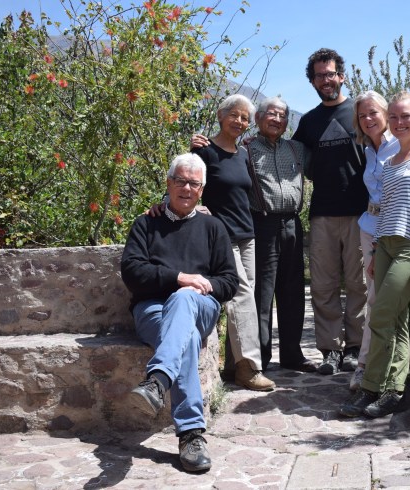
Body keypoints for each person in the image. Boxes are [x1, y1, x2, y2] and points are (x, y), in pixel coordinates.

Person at [121, 153, 238, 472]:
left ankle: (157, 380)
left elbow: (229, 282)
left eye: (193, 183)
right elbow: (132, 272)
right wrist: (178, 278)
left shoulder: (213, 227)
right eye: (180, 181)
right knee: (185, 338)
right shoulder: (146, 224)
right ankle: (190, 435)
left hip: (200, 305)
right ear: (168, 183)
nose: (186, 188)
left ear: (202, 190)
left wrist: (197, 286)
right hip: (152, 310)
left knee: (184, 299)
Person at [339, 91, 410, 418]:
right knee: (396, 319)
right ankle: (391, 390)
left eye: (406, 116)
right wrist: (375, 251)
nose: (400, 122)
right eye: (395, 117)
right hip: (385, 245)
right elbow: (386, 209)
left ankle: (373, 387)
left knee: (382, 314)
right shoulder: (389, 164)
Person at [191, 96, 318, 372]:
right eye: (271, 114)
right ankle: (258, 357)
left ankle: (293, 354)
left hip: (293, 224)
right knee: (260, 293)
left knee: (293, 291)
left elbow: (325, 166)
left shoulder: (297, 149)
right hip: (261, 224)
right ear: (258, 119)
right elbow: (220, 172)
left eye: (282, 116)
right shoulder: (245, 149)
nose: (277, 119)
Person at [191, 94, 276, 391]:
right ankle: (249, 368)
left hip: (247, 233)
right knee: (240, 295)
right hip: (221, 235)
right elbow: (190, 184)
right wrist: (197, 209)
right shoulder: (204, 151)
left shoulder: (243, 154)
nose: (239, 122)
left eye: (244, 118)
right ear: (220, 115)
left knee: (246, 298)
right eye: (234, 115)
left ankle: (232, 365)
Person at [292, 48, 367, 375]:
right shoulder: (308, 122)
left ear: (342, 76)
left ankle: (355, 347)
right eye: (319, 75)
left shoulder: (359, 113)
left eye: (331, 74)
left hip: (360, 214)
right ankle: (330, 351)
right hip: (322, 213)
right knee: (323, 286)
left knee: (359, 285)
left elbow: (391, 139)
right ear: (312, 81)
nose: (326, 80)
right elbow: (289, 154)